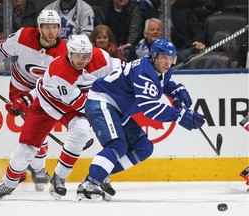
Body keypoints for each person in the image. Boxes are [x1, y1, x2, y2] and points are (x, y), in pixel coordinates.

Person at [0, 34, 121, 200]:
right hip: (46, 104)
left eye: (86, 56)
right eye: (77, 55)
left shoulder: (101, 58)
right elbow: (82, 104)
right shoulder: (59, 71)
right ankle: (9, 184)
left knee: (82, 131)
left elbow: (121, 70)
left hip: (73, 105)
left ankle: (59, 177)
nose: (82, 60)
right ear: (69, 53)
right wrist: (27, 99)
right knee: (25, 150)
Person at [76, 38, 205, 201]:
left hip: (119, 109)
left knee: (143, 147)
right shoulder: (143, 73)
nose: (167, 62)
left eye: (170, 58)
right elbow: (149, 108)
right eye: (163, 57)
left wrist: (175, 90)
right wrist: (178, 115)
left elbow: (163, 83)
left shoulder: (160, 69)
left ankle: (101, 173)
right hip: (102, 101)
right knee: (117, 144)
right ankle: (89, 184)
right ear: (153, 57)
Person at [0, 9, 67, 191]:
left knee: (37, 128)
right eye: (47, 27)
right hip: (19, 88)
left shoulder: (63, 53)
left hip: (43, 92)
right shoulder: (23, 36)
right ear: (39, 27)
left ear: (59, 28)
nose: (51, 32)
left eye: (55, 27)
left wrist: (29, 100)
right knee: (36, 128)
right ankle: (38, 168)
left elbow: (50, 85)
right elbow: (0, 49)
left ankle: (36, 168)